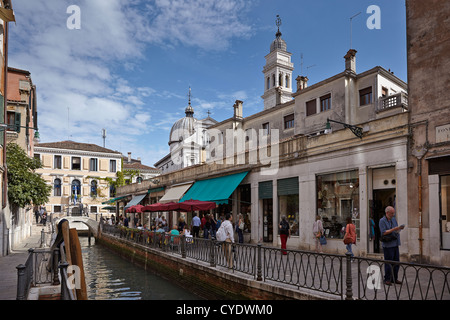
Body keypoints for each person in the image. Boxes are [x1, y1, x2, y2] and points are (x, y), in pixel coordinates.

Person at [379, 206, 405, 286]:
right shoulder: (382, 221)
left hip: (395, 243)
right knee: (388, 262)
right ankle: (387, 279)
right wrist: (394, 229)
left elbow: (396, 229)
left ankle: (394, 278)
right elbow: (383, 232)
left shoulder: (393, 219)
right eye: (391, 213)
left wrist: (399, 228)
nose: (393, 214)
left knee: (396, 262)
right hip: (388, 245)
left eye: (393, 213)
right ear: (387, 213)